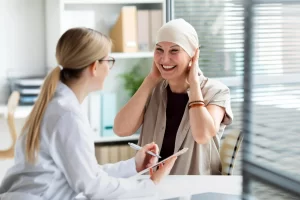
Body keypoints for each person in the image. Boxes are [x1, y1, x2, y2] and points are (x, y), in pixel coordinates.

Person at [0, 28, 177, 200]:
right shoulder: (67, 115)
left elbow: (85, 173)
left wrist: (133, 165)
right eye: (109, 61)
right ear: (94, 67)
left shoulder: (58, 105)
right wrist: (150, 184)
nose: (109, 69)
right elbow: (92, 186)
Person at [114, 18, 233, 175]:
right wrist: (149, 81)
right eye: (159, 50)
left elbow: (202, 135)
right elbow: (121, 130)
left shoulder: (216, 91)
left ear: (193, 56)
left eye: (174, 50)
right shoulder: (153, 89)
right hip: (151, 186)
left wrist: (194, 85)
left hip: (194, 190)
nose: (164, 59)